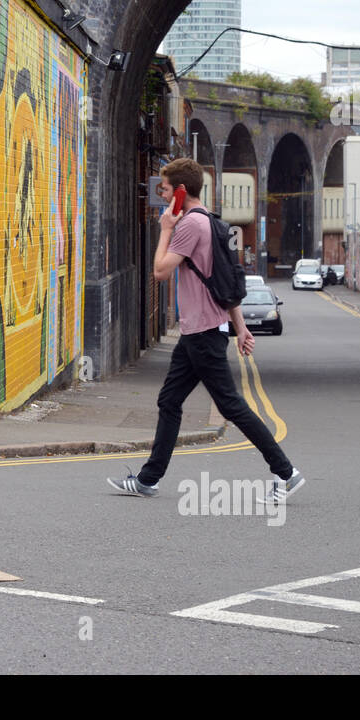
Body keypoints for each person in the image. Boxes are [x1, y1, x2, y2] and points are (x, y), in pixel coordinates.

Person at [107, 157, 304, 504]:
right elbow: (224, 280)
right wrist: (239, 327)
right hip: (203, 329)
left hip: (202, 332)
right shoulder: (213, 222)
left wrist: (166, 228)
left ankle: (285, 473)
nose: (162, 195)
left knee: (231, 405)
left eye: (166, 189)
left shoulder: (188, 226)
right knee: (170, 400)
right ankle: (148, 479)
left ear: (181, 192)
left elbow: (160, 272)